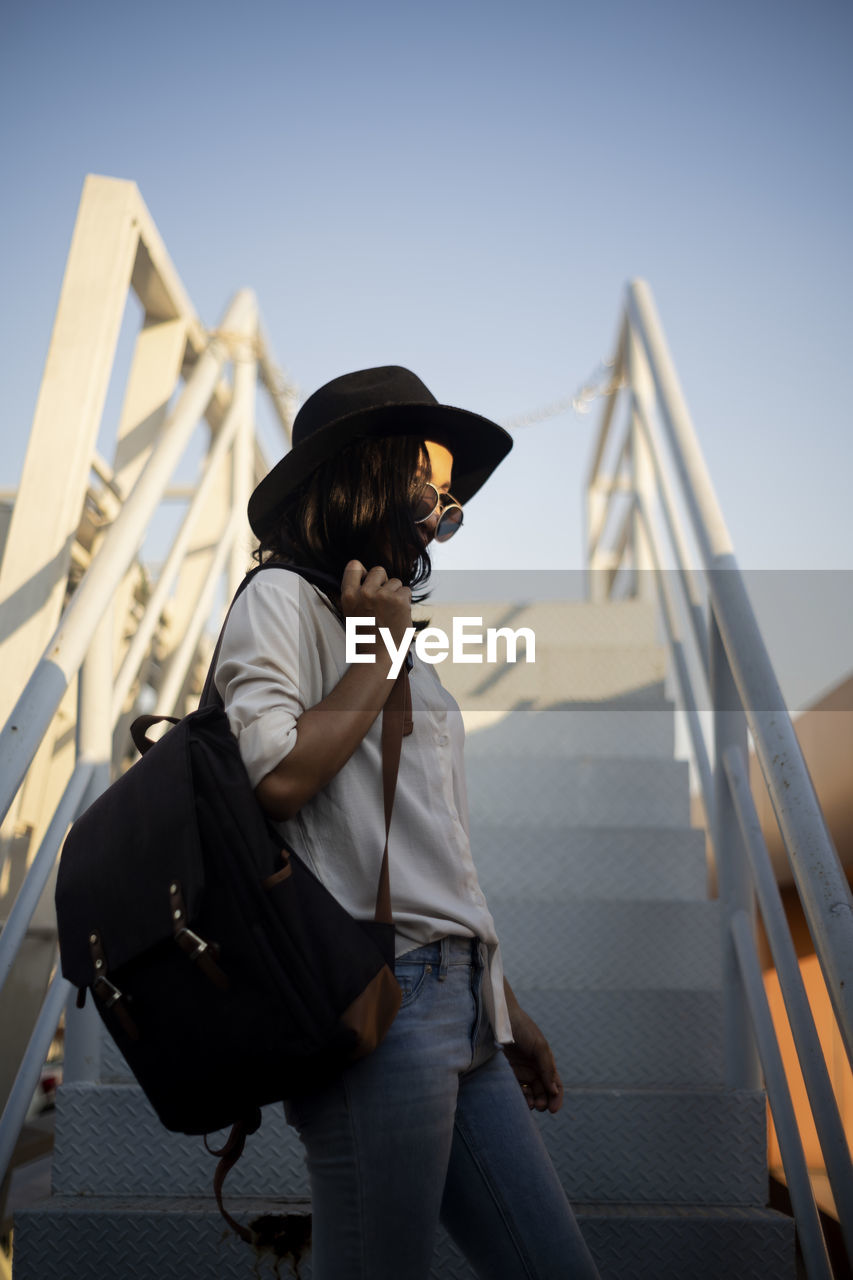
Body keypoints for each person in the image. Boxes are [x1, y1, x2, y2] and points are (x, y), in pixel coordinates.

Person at [214, 366, 600, 1279]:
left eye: (450, 507)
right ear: (363, 470)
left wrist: (501, 1002)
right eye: (429, 484)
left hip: (459, 1000)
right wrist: (376, 652)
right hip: (375, 1001)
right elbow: (275, 778)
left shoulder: (395, 640)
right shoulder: (283, 602)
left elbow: (427, 850)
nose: (436, 514)